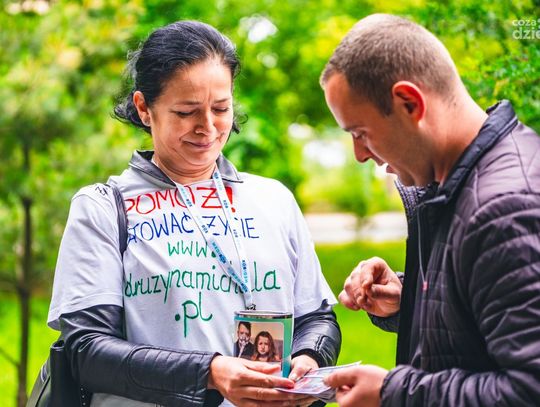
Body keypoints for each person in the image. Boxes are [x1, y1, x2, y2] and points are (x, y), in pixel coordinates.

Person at [47, 20, 341, 407]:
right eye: (186, 111)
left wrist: (309, 358)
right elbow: (88, 351)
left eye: (221, 108)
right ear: (144, 108)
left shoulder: (273, 200)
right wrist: (210, 373)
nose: (208, 127)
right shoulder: (102, 207)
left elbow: (317, 318)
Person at [319, 13, 540, 407]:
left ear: (410, 103)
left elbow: (528, 390)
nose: (359, 155)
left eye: (361, 133)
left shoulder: (506, 208)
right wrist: (409, 299)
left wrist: (393, 392)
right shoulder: (456, 186)